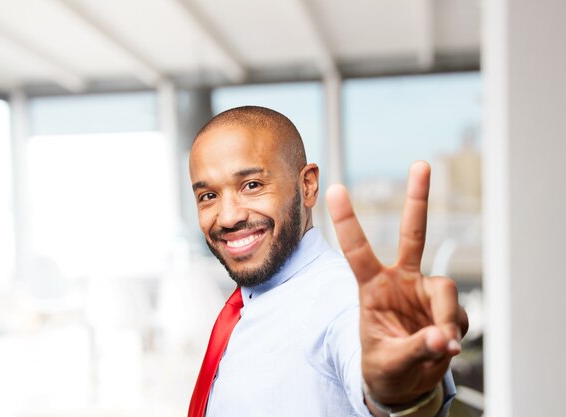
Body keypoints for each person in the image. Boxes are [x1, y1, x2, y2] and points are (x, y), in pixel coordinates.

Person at [187, 106, 468, 417]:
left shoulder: (344, 295)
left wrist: (403, 394)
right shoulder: (245, 305)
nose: (227, 217)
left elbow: (380, 379)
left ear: (307, 185)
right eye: (208, 196)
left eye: (252, 185)